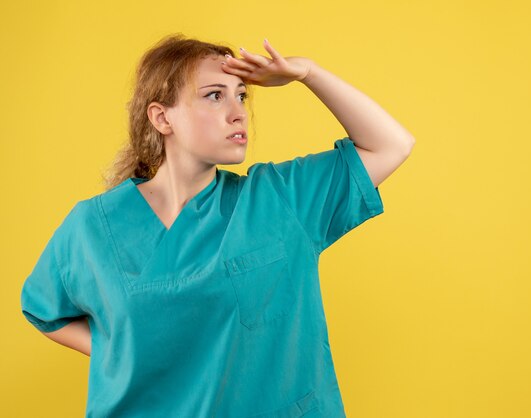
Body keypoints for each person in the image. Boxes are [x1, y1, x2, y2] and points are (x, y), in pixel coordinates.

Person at [20, 33, 415, 417]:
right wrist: (120, 350)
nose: (238, 111)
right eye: (214, 95)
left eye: (241, 95)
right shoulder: (94, 225)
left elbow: (390, 144)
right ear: (162, 117)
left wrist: (306, 72)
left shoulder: (281, 200)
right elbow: (44, 310)